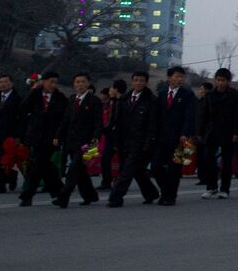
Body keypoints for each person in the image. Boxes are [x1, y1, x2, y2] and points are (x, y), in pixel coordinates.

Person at [108, 72, 160, 207]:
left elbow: (152, 124)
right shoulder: (124, 99)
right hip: (124, 141)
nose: (138, 83)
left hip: (140, 142)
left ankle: (116, 197)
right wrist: (116, 141)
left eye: (141, 81)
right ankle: (151, 193)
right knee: (137, 170)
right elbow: (117, 122)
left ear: (146, 83)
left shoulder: (151, 100)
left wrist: (148, 142)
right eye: (136, 80)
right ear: (132, 82)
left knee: (127, 171)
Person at [19, 73, 69, 206]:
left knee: (37, 164)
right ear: (44, 82)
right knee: (44, 165)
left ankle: (27, 194)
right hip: (35, 137)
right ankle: (60, 191)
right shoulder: (35, 95)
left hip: (51, 138)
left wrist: (59, 136)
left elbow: (64, 119)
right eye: (51, 82)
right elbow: (23, 109)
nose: (53, 85)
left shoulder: (60, 98)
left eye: (55, 82)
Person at [53, 73, 102, 208]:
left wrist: (96, 138)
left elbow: (99, 122)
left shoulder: (94, 101)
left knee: (73, 170)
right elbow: (65, 121)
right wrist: (58, 136)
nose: (80, 84)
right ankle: (90, 195)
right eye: (77, 82)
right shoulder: (72, 99)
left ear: (88, 84)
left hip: (89, 143)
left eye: (83, 82)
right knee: (81, 171)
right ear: (74, 84)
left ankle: (63, 198)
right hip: (71, 141)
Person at [153, 66, 197, 205]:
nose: (180, 79)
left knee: (175, 168)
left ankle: (170, 197)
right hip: (162, 137)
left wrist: (185, 133)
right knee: (156, 167)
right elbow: (156, 116)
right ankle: (166, 191)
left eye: (182, 77)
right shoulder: (161, 93)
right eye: (177, 76)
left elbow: (190, 116)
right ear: (169, 78)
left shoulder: (188, 95)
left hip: (181, 139)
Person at [198, 68, 238, 198]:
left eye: (223, 80)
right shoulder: (210, 95)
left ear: (228, 81)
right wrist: (200, 132)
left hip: (228, 132)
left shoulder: (235, 95)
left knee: (227, 161)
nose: (220, 83)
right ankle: (211, 187)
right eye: (218, 80)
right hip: (212, 132)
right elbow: (204, 115)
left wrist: (236, 133)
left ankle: (225, 188)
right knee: (208, 158)